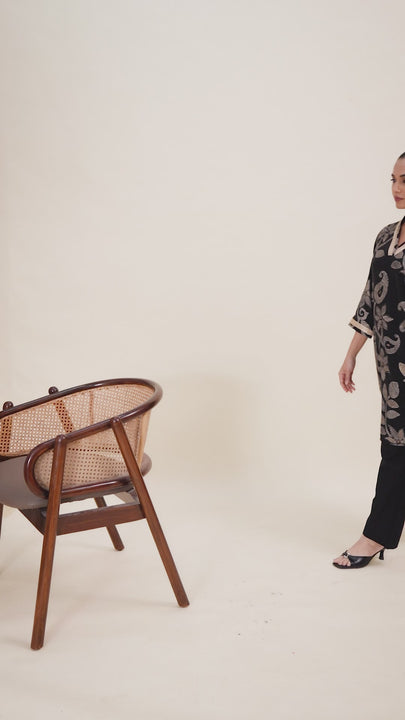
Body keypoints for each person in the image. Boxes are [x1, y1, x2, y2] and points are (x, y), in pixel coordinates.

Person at [333, 152, 405, 568]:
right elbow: (371, 299)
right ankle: (379, 534)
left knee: (398, 452)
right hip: (391, 367)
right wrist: (351, 355)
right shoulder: (384, 237)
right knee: (396, 446)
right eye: (392, 179)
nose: (396, 188)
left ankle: (374, 536)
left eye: (404, 180)